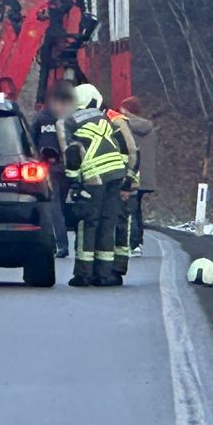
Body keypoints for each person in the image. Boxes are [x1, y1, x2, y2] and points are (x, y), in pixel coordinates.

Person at [63, 82, 129, 287]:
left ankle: (83, 274)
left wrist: (73, 180)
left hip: (94, 178)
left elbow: (73, 153)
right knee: (107, 221)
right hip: (116, 174)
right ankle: (104, 274)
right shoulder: (105, 119)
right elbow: (123, 146)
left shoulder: (71, 122)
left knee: (88, 222)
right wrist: (126, 176)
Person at [34, 81, 77, 258]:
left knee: (55, 207)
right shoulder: (70, 118)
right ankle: (61, 243)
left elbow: (31, 140)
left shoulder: (42, 117)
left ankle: (60, 244)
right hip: (62, 168)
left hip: (52, 168)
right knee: (58, 206)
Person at [114, 97, 156, 255]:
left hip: (133, 175)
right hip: (146, 176)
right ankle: (138, 241)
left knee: (130, 210)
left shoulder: (125, 126)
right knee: (137, 208)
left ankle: (132, 243)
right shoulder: (148, 127)